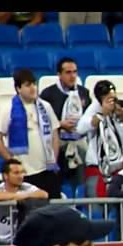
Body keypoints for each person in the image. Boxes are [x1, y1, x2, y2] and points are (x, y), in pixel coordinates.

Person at [0, 68, 61, 199]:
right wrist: (11, 162)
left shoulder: (45, 106)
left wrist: (54, 159)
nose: (33, 88)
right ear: (18, 88)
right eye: (28, 85)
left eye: (34, 84)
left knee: (54, 212)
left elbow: (55, 135)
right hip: (25, 174)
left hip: (48, 170)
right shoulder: (9, 109)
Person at [77, 80, 123, 199]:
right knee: (97, 207)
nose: (111, 101)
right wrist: (101, 114)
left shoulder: (118, 109)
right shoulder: (94, 109)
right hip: (97, 168)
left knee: (121, 206)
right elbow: (80, 129)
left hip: (119, 168)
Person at [40, 57, 92, 195]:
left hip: (78, 141)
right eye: (68, 72)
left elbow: (88, 116)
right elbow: (41, 119)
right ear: (59, 74)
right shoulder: (48, 94)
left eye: (75, 72)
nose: (72, 76)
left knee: (83, 177)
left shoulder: (83, 92)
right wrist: (60, 124)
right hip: (57, 142)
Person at [0, 159, 48, 246]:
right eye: (16, 173)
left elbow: (44, 194)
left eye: (22, 172)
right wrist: (21, 196)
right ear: (5, 176)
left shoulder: (26, 187)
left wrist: (21, 196)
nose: (21, 176)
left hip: (14, 241)